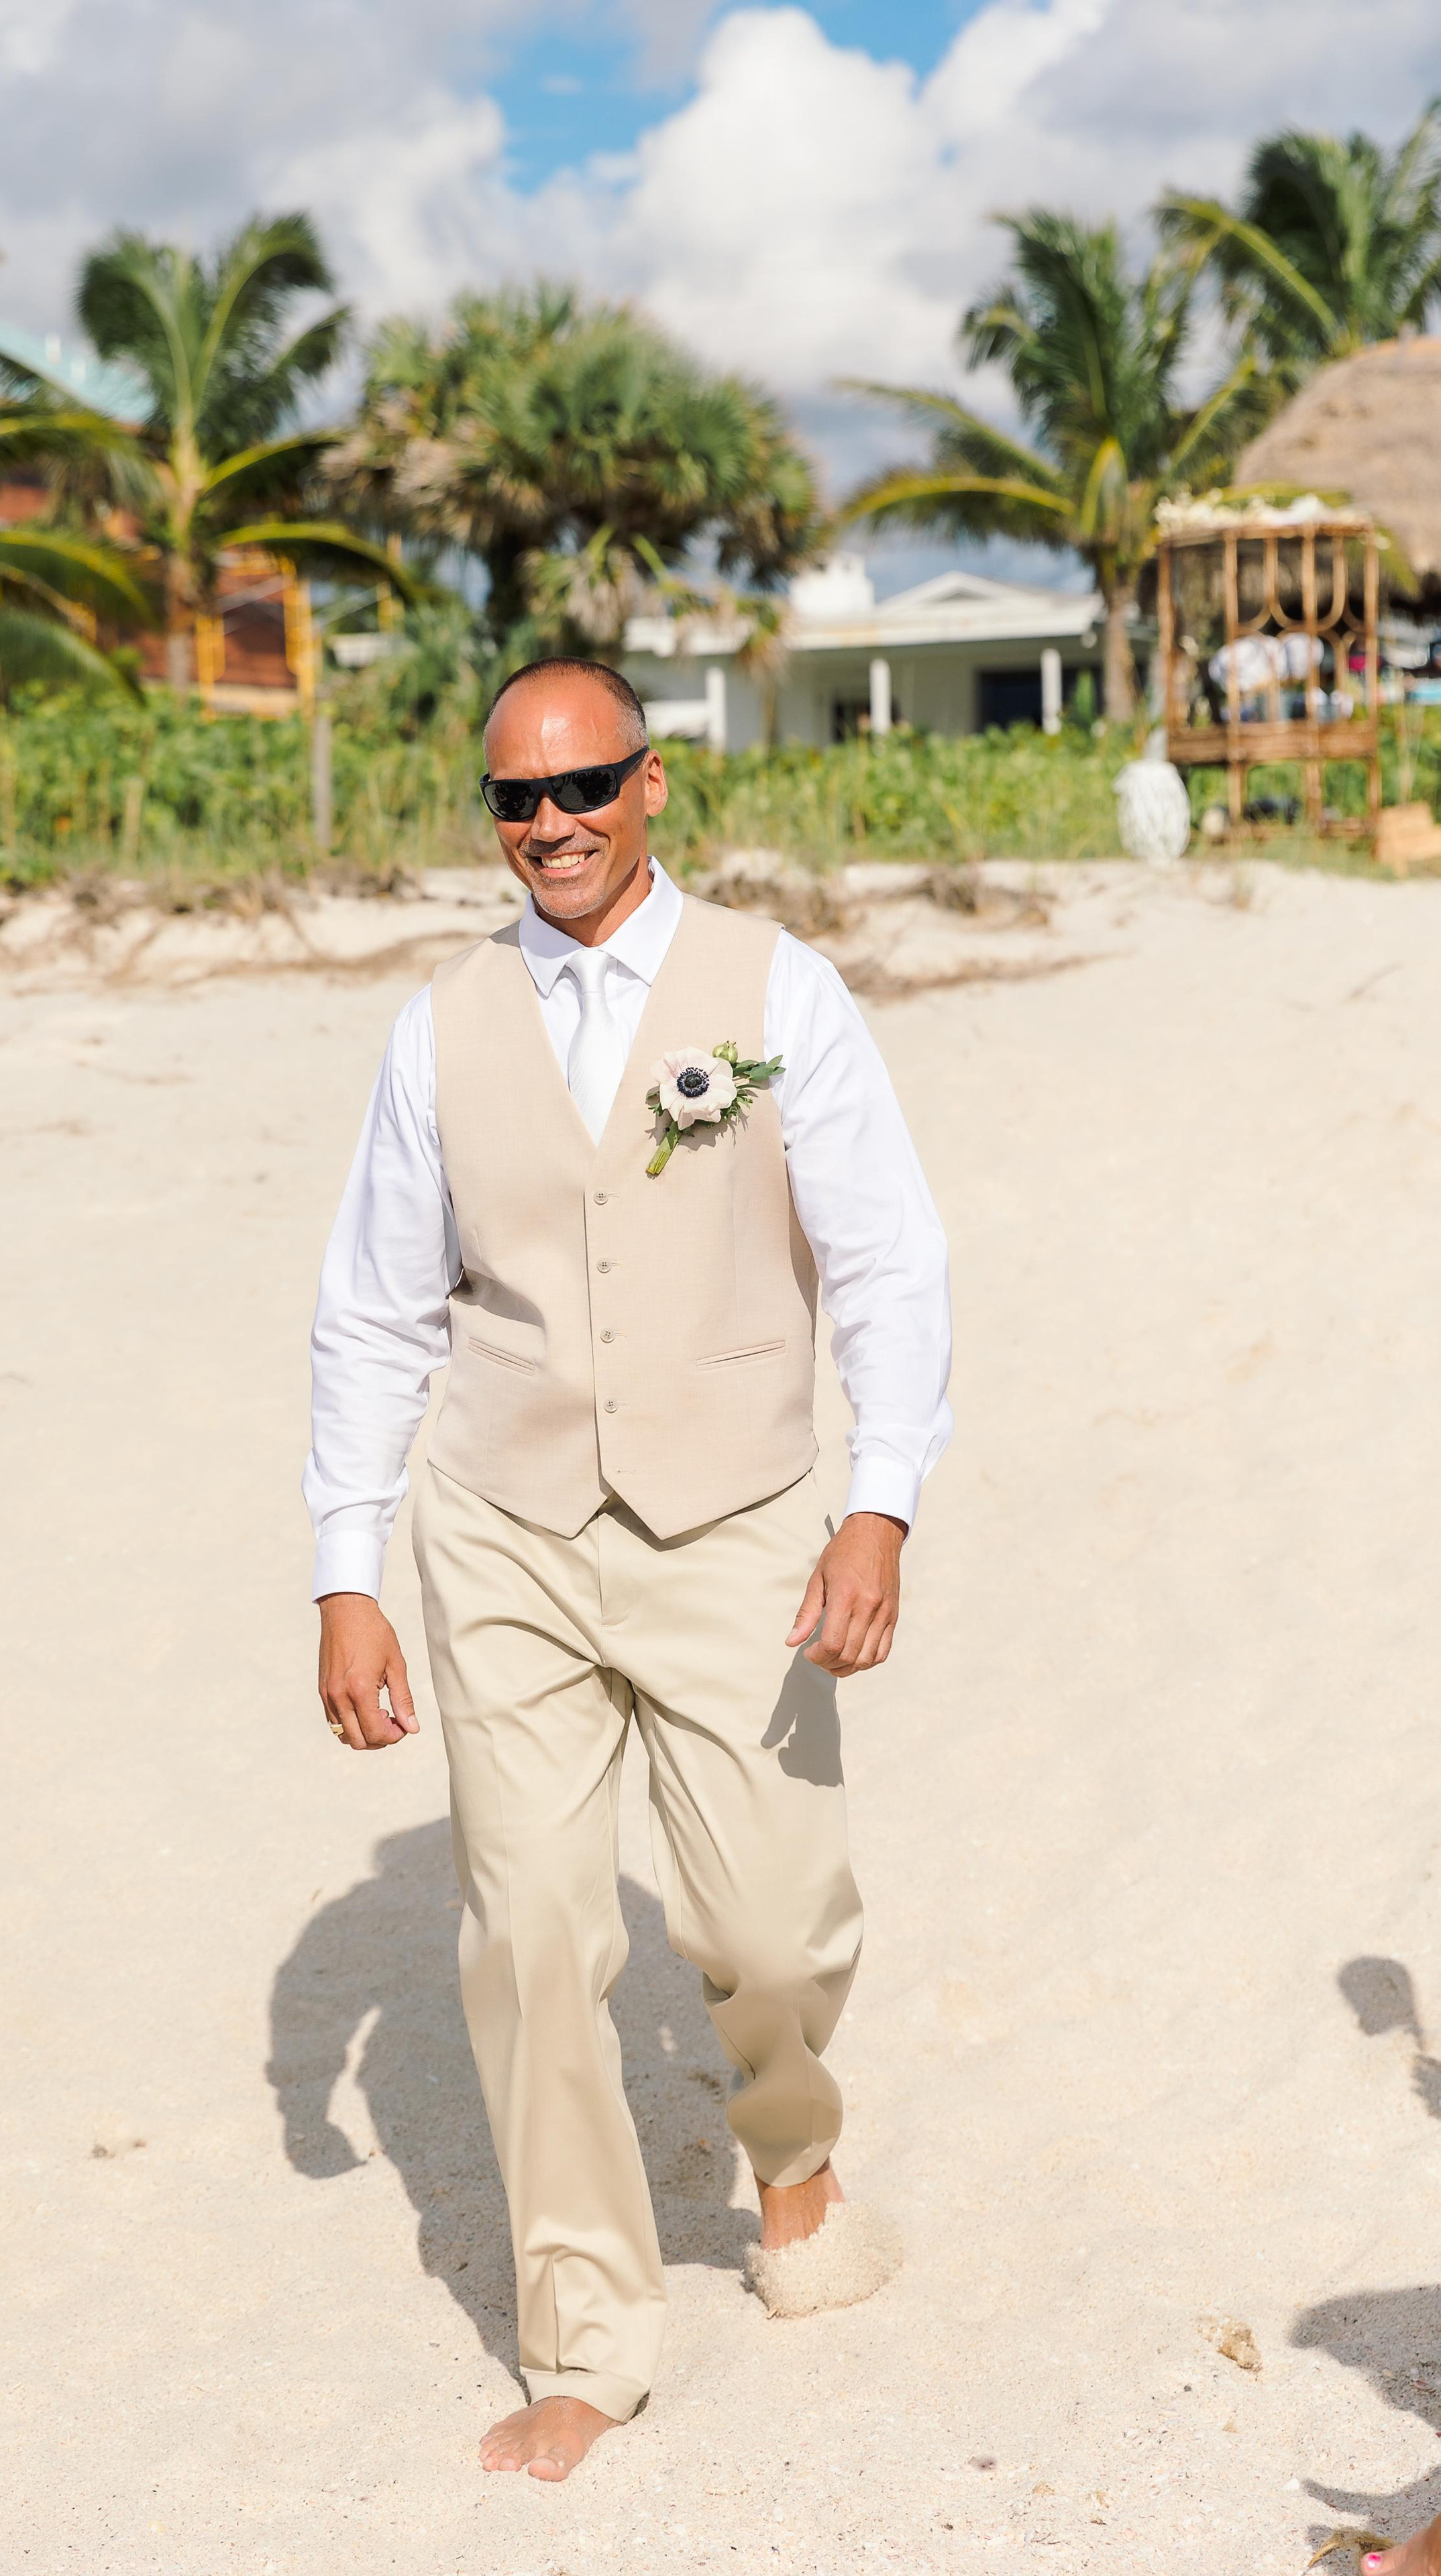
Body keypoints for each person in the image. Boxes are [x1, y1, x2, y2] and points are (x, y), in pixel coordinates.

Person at [304, 657, 952, 2481]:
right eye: (516, 799)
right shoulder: (437, 1030)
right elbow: (371, 1310)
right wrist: (346, 1567)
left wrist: (877, 1503)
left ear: (654, 788)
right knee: (530, 1931)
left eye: (584, 787)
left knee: (764, 1921)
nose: (551, 827)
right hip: (502, 1526)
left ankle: (795, 2157)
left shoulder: (776, 990)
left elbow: (890, 1261)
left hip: (740, 1515)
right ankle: (585, 2329)